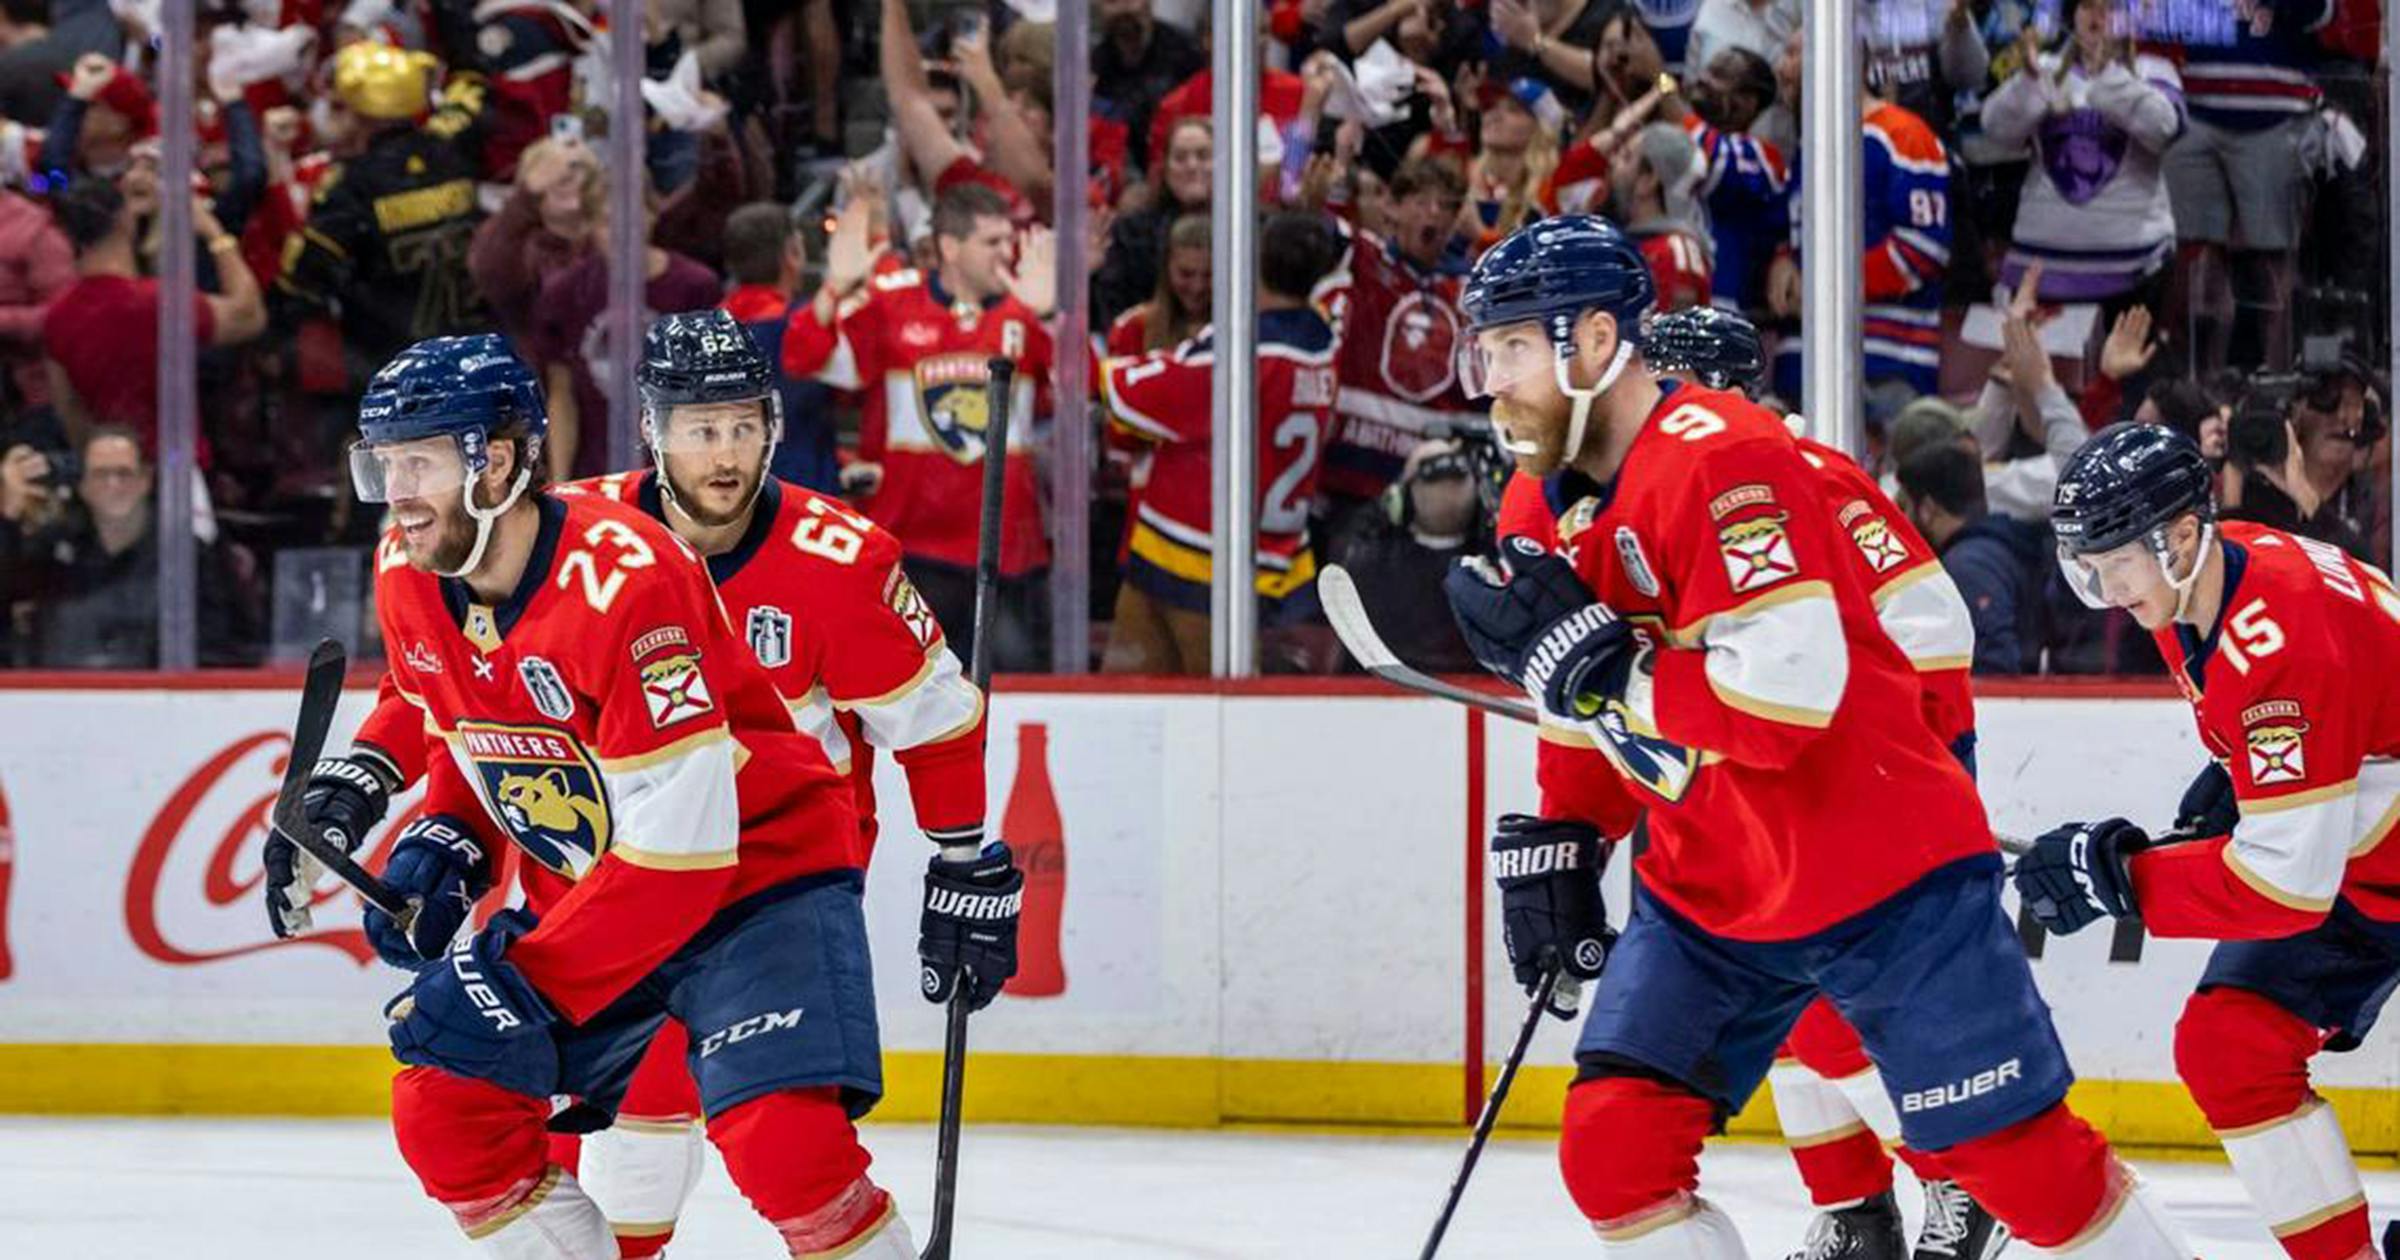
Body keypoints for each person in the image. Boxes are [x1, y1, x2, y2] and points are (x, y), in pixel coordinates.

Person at [1442, 216, 2188, 1260]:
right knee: (1613, 1151)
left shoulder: (1730, 460)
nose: (1491, 379)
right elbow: (1571, 683)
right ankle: (1856, 1208)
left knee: (2026, 1167)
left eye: (1512, 347)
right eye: (1485, 351)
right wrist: (1569, 835)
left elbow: (1787, 696)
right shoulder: (1533, 499)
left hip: (1874, 869)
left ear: (1597, 342)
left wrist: (1613, 673)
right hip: (1708, 885)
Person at [289, 318, 1012, 1257]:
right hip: (599, 888)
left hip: (755, 885)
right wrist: (445, 835)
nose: (397, 495)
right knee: (450, 1106)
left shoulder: (657, 579)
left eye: (739, 426)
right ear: (652, 430)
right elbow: (464, 710)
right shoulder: (419, 564)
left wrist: (965, 858)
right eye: (697, 427)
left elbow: (695, 846)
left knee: (782, 1144)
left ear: (498, 464)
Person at [1498, 303, 1996, 1260]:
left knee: (1829, 1009)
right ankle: (1856, 1208)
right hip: (1722, 787)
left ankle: (1955, 1176)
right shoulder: (1623, 490)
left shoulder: (1801, 474)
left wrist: (1889, 768)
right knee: (1793, 1024)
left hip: (1853, 787)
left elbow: (1935, 628)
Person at [2020, 422, 2400, 1260]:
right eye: (2090, 564)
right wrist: (2232, 786)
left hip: (2359, 862)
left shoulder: (2279, 625)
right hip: (2370, 860)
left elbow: (2281, 887)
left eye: (2115, 559)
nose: (2105, 585)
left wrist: (2120, 885)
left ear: (2181, 534)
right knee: (2232, 1045)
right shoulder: (2206, 583)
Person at [781, 183, 1057, 672]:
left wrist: (1053, 317)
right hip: (910, 547)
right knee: (903, 691)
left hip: (1003, 549)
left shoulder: (1026, 314)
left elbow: (1083, 397)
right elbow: (803, 358)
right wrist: (833, 288)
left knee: (1013, 687)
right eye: (992, 242)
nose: (1007, 254)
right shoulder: (893, 303)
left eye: (1009, 241)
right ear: (950, 247)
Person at [1096, 210, 1343, 675]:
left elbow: (1125, 391)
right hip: (1246, 559)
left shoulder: (1243, 354)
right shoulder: (1322, 338)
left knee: (1190, 715)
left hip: (1201, 564)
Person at [272, 39, 489, 391]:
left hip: (395, 377)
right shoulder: (452, 148)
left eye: (337, 106)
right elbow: (472, 85)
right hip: (472, 363)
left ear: (359, 117)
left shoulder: (350, 188)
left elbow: (297, 284)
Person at [0, 425, 254, 668]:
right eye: (100, 474)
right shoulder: (59, 553)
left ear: (145, 479)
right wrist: (8, 515)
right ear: (83, 485)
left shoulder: (186, 555)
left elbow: (230, 644)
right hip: (61, 699)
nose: (113, 484)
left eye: (123, 473)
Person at [43, 170, 262, 449]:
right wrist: (214, 232)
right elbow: (249, 316)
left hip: (111, 469)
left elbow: (69, 411)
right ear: (123, 218)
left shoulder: (58, 318)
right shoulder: (158, 302)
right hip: (177, 467)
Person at [1318, 157, 1476, 521]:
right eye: (1421, 202)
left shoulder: (1466, 293)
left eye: (1445, 207)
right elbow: (1309, 220)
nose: (1433, 215)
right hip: (1348, 478)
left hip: (1425, 492)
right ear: (1393, 207)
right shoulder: (1363, 259)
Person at [720, 201, 840, 494]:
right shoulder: (810, 326)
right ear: (793, 254)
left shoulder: (700, 335)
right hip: (800, 498)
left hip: (727, 499)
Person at [1895, 442, 2043, 675]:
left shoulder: (1968, 567)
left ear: (1927, 508)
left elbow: (1995, 665)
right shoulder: (1993, 548)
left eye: (1904, 507)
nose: (1901, 519)